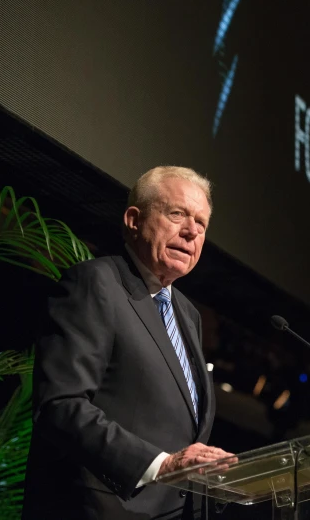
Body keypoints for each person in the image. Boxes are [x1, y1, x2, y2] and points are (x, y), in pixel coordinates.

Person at [23, 166, 232, 519]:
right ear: (134, 219)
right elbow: (60, 404)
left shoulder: (187, 314)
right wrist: (160, 465)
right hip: (98, 508)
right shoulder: (96, 283)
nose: (191, 231)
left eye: (201, 223)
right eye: (177, 214)